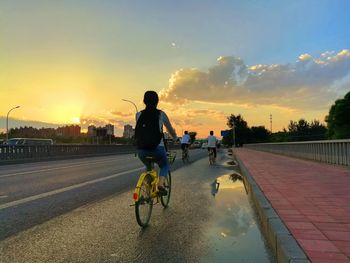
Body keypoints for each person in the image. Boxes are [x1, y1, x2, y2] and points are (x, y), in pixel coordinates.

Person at [135, 91, 177, 195]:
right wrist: (175, 138)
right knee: (165, 165)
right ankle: (160, 184)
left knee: (149, 167)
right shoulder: (161, 114)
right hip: (157, 149)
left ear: (144, 101)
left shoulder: (138, 115)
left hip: (142, 150)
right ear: (157, 101)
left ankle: (148, 192)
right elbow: (170, 130)